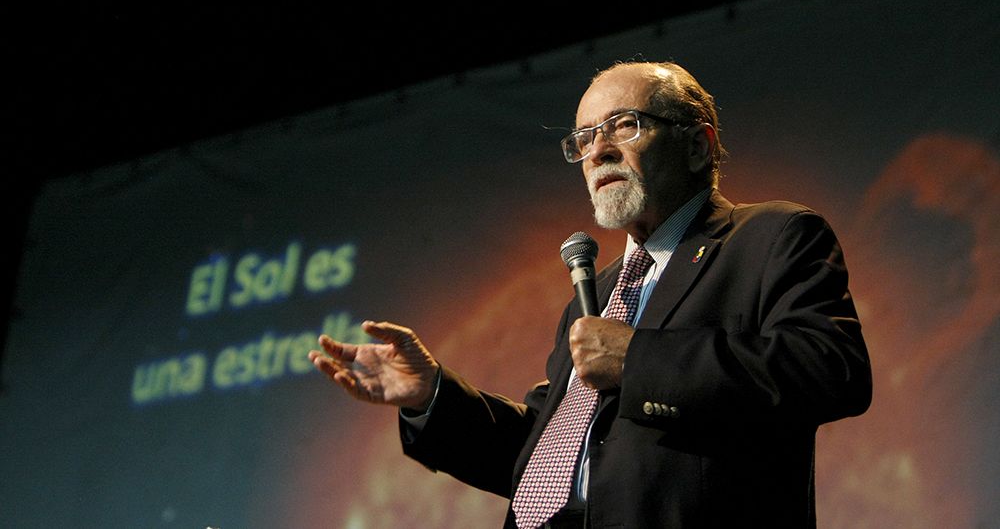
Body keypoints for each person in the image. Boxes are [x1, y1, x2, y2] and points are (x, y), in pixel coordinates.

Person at [309, 61, 872, 528]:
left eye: (623, 126)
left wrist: (638, 360)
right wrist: (431, 396)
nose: (597, 151)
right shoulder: (597, 291)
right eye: (583, 139)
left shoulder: (770, 237)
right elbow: (548, 457)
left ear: (698, 147)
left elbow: (830, 371)